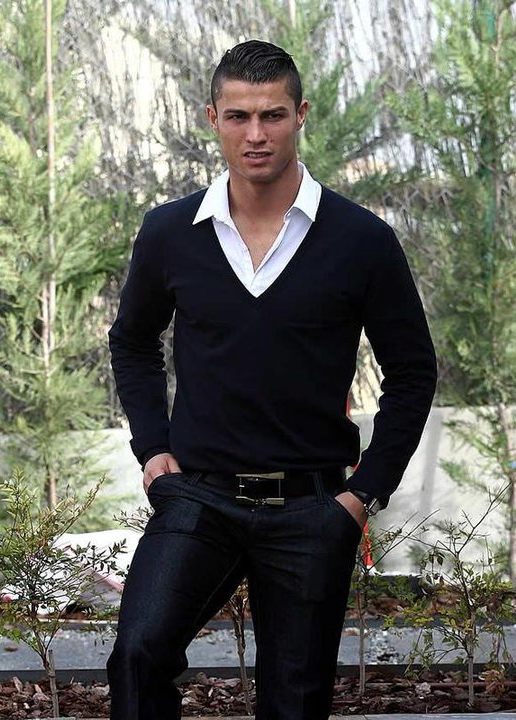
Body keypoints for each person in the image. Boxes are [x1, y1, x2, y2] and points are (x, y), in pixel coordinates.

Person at [107, 39, 437, 720]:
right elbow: (133, 342)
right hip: (198, 497)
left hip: (312, 508)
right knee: (138, 654)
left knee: (294, 702)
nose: (255, 134)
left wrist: (362, 494)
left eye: (272, 115)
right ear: (213, 119)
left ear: (300, 115)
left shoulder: (361, 240)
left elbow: (412, 372)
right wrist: (153, 450)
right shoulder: (170, 232)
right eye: (238, 116)